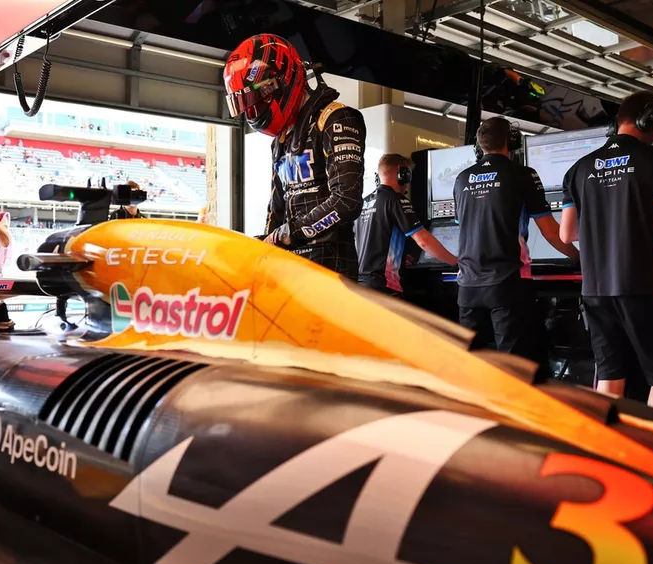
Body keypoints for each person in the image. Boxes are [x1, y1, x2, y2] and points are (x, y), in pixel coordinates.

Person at [560, 91, 653, 413]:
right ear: (651, 121)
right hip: (645, 286)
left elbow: (568, 233)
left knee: (610, 376)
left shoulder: (578, 169)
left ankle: (609, 456)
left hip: (595, 290)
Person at [224, 33, 365, 280]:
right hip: (291, 268)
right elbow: (276, 207)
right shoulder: (281, 140)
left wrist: (288, 234)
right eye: (250, 105)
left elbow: (347, 199)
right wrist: (263, 248)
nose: (256, 111)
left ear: (283, 79)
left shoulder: (336, 119)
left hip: (331, 268)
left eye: (259, 99)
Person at [454, 117, 579, 363]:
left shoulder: (461, 179)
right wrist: (580, 257)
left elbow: (464, 224)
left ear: (480, 146)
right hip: (507, 283)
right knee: (514, 365)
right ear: (512, 142)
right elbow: (551, 232)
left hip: (467, 287)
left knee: (470, 365)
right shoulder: (522, 175)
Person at [356, 153, 457, 295]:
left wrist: (401, 257)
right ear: (403, 174)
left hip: (362, 284)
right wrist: (456, 262)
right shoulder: (396, 200)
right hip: (384, 285)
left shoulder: (363, 203)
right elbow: (423, 240)